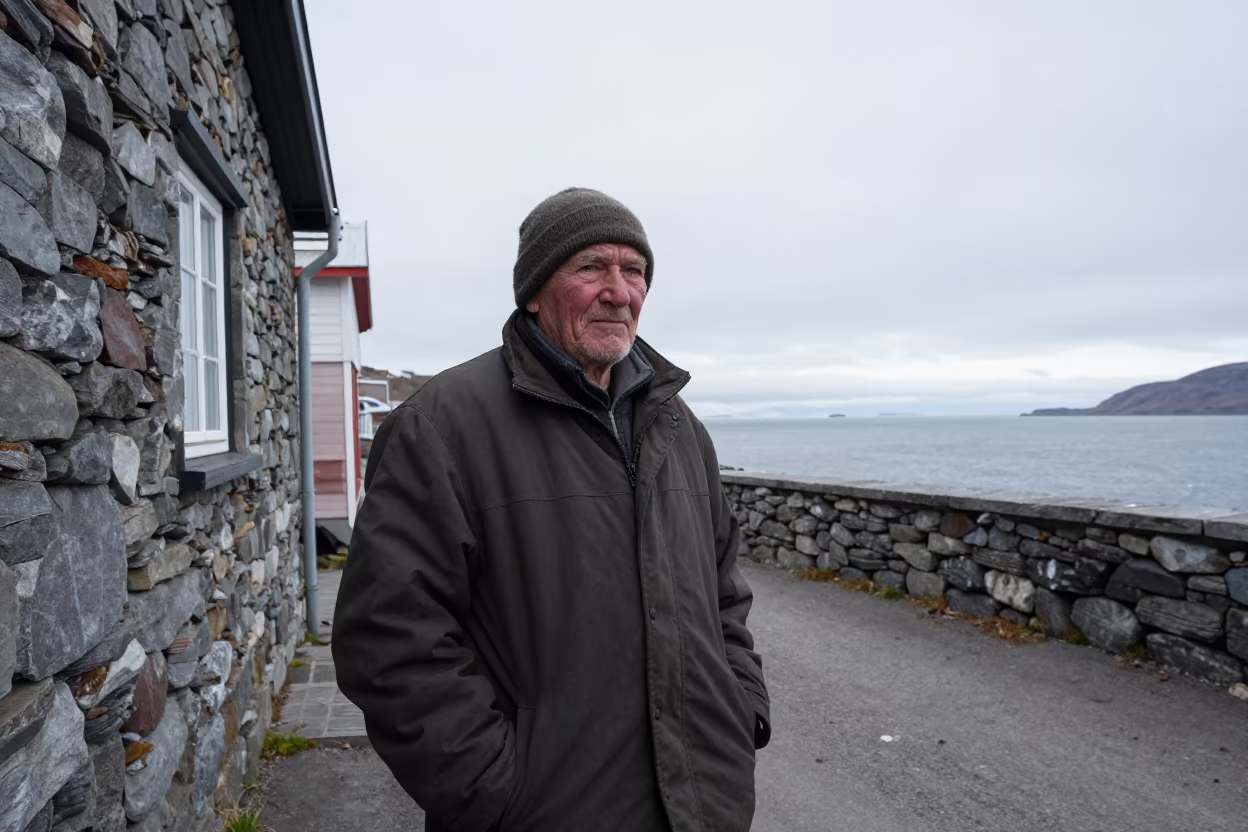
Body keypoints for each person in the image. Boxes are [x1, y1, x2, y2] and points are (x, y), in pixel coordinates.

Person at [333, 188, 770, 831]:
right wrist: (495, 791)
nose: (619, 291)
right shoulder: (441, 428)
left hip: (702, 808)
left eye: (635, 271)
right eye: (592, 267)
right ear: (535, 291)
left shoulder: (680, 428)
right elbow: (390, 640)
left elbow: (724, 594)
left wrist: (742, 709)